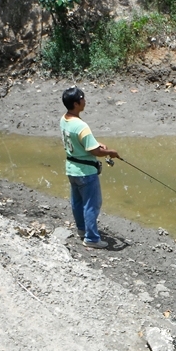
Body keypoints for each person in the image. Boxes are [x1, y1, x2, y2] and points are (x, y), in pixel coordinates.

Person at [60, 86, 120, 249]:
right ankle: (92, 238)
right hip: (86, 172)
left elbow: (83, 143)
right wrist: (110, 152)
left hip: (72, 169)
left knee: (77, 202)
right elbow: (93, 150)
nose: (85, 101)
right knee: (92, 204)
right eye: (82, 98)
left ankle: (82, 229)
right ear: (76, 103)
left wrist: (98, 145)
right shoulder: (81, 126)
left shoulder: (64, 120)